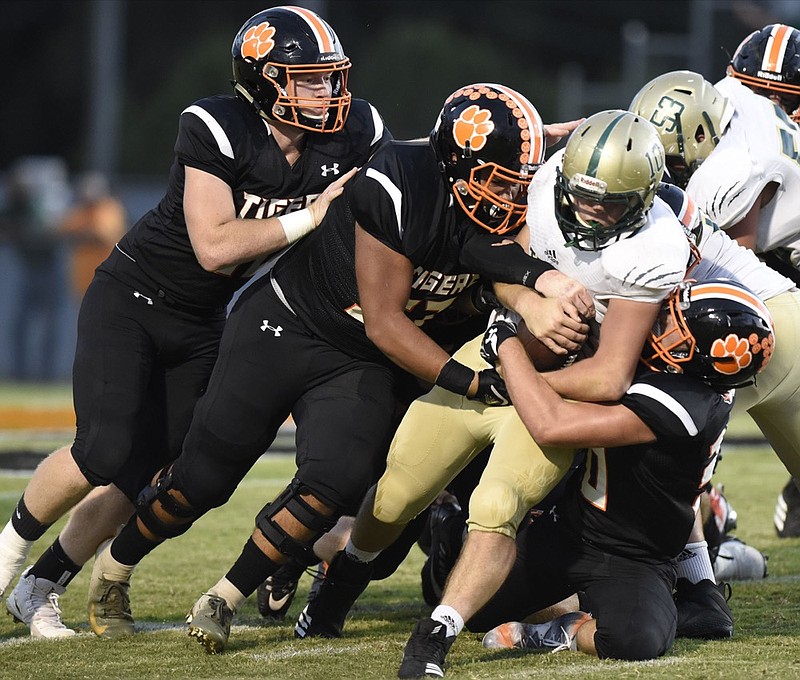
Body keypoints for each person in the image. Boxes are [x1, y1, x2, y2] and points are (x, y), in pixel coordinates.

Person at [86, 82, 593, 653]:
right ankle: (115, 567)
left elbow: (496, 255)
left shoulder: (501, 193)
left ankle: (224, 597)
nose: (512, 195)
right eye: (499, 181)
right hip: (292, 324)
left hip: (364, 359)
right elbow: (386, 320)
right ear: (456, 166)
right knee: (205, 476)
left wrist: (529, 286)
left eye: (519, 180)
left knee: (340, 480)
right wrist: (470, 378)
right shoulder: (399, 185)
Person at [0, 5, 390, 640]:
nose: (328, 92)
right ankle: (6, 555)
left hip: (205, 317)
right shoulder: (216, 124)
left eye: (329, 77)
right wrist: (310, 217)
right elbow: (213, 246)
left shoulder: (354, 132)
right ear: (265, 82)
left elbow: (408, 173)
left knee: (151, 470)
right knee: (101, 449)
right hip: (133, 297)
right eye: (308, 79)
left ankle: (41, 585)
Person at [298, 110, 698, 676]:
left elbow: (610, 375)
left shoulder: (655, 245)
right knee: (396, 493)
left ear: (643, 198)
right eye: (580, 196)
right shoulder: (543, 182)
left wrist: (515, 379)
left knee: (496, 506)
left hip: (557, 387)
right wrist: (526, 304)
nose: (588, 211)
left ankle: (435, 638)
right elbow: (496, 264)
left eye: (608, 203)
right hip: (492, 356)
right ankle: (341, 582)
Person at [474, 278, 774, 663]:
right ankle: (581, 600)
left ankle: (565, 629)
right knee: (480, 610)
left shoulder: (687, 403)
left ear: (701, 359)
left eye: (674, 328)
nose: (659, 325)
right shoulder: (691, 380)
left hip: (634, 555)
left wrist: (507, 348)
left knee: (635, 641)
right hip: (570, 527)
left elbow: (551, 423)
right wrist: (699, 576)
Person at [630, 58, 800, 635]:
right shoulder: (728, 110)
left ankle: (701, 557)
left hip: (753, 309)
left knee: (677, 435)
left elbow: (723, 270)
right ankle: (704, 559)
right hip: (768, 295)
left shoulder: (727, 168)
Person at [58, 171, 128, 301]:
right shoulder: (80, 211)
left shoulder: (109, 210)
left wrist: (80, 235)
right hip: (82, 279)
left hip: (108, 278)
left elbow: (103, 237)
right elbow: (63, 231)